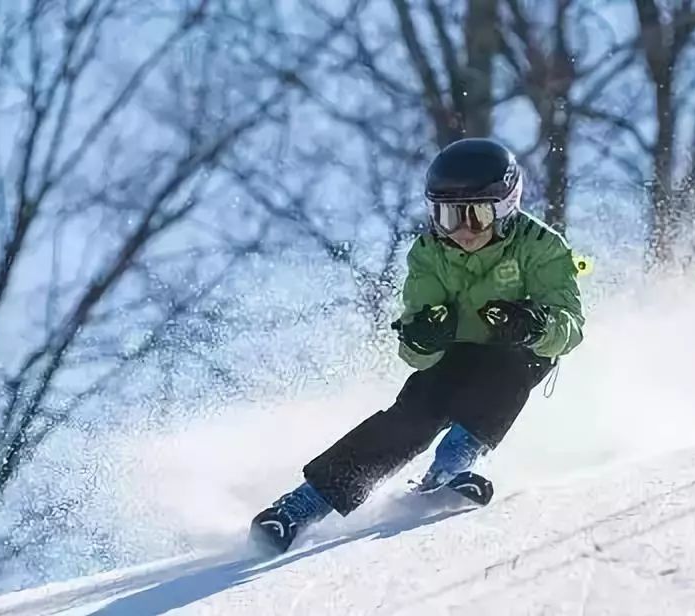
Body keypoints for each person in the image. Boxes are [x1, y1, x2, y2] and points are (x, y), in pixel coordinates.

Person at [250, 137, 586, 553]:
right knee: (415, 412)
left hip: (518, 351)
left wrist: (536, 325)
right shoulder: (429, 253)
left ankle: (455, 462)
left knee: (509, 370)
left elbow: (571, 326)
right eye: (447, 217)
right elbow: (415, 351)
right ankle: (302, 505)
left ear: (505, 208)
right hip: (457, 354)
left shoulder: (541, 246)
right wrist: (422, 337)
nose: (462, 231)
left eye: (477, 216)